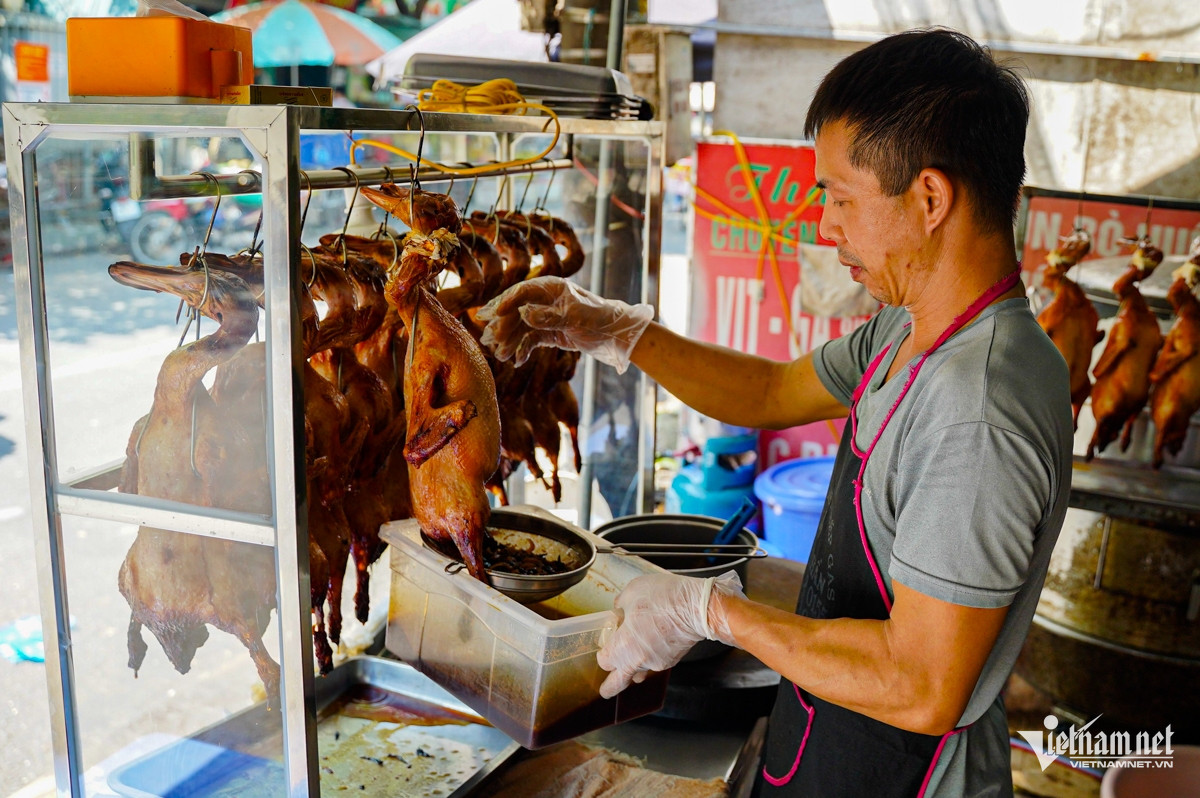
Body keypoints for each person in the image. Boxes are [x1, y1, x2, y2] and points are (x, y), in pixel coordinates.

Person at [476, 27, 1072, 798]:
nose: (826, 226)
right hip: (832, 737)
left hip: (906, 775)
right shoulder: (912, 325)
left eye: (842, 197)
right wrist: (618, 330)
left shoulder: (978, 407)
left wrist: (709, 611)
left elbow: (923, 685)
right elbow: (767, 394)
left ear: (930, 198)